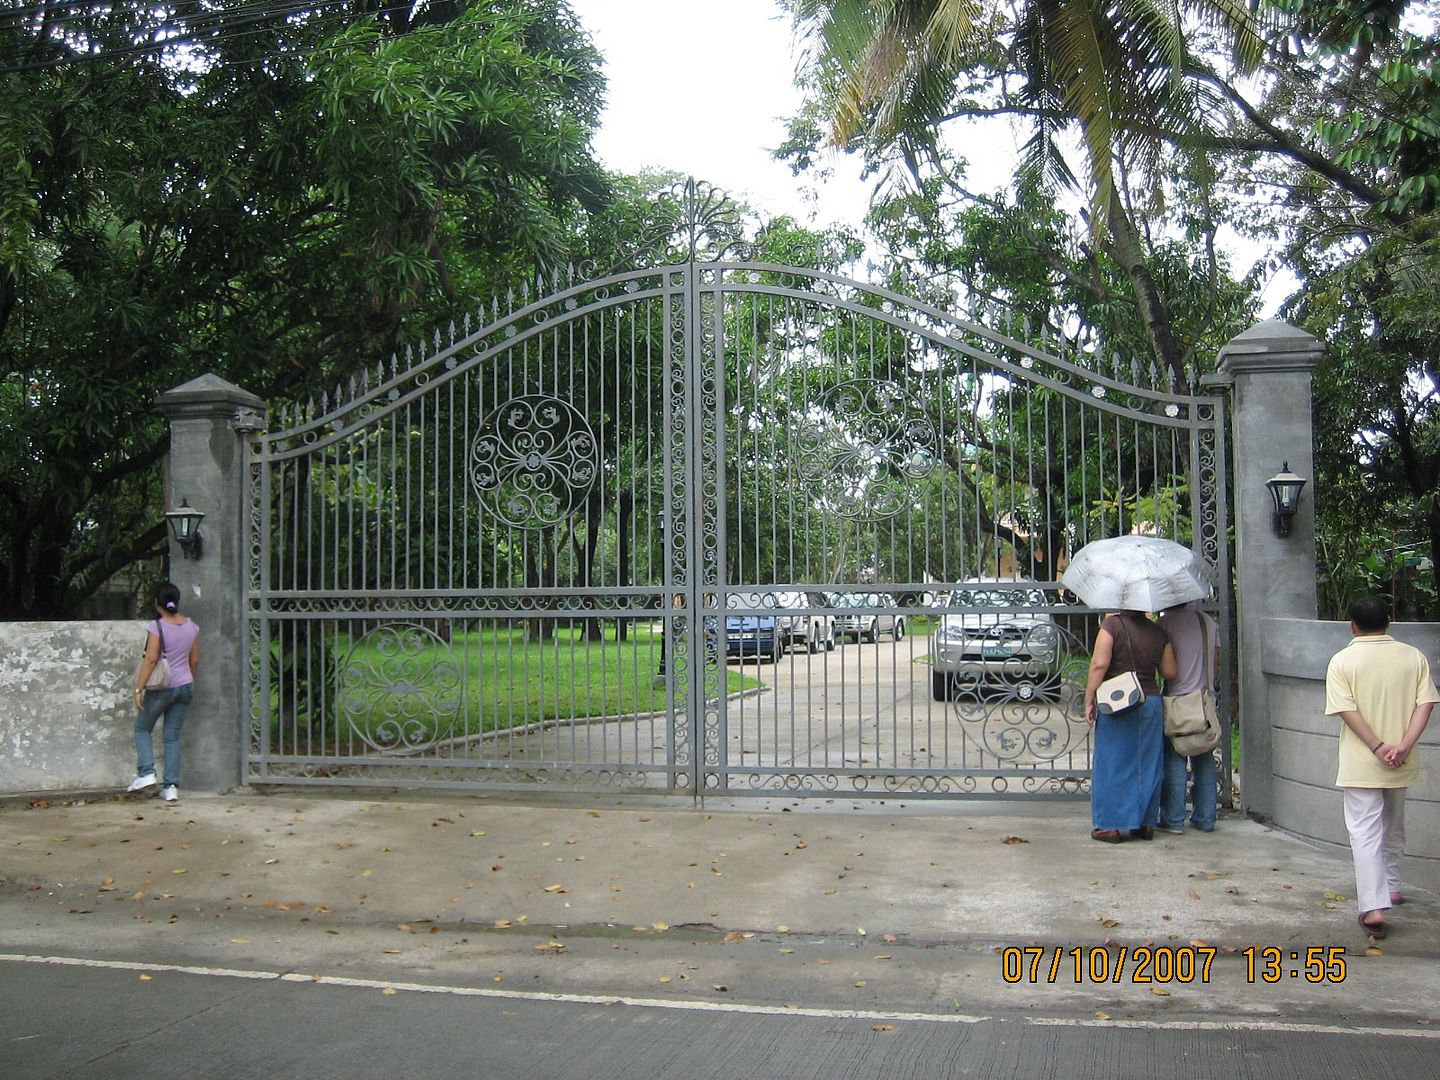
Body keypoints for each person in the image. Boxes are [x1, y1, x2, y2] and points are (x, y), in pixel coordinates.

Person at [1324, 596, 1437, 939]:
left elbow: (1346, 710)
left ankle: (1373, 907)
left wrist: (1377, 746)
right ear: (1389, 621)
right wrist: (1403, 746)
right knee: (1394, 823)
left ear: (1352, 625)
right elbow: (1426, 703)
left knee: (1365, 831)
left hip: (1363, 761)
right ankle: (1392, 885)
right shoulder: (1413, 657)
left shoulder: (1342, 661)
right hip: (1401, 760)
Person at [1084, 610, 1177, 843]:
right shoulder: (1158, 631)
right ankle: (1145, 822)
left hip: (1118, 701)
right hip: (1150, 703)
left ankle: (1110, 826)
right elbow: (1169, 671)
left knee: (1112, 762)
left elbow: (1099, 664)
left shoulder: (1111, 626)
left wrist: (1089, 698)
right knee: (1147, 763)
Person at [127, 583, 201, 804]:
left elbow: (150, 659)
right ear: (176, 602)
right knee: (172, 737)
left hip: (163, 688)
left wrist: (139, 688)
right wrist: (187, 680)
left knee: (142, 728)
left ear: (156, 603)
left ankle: (146, 772)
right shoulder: (192, 627)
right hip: (185, 686)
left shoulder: (156, 627)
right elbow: (194, 659)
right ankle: (171, 788)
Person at [1158, 604, 1220, 834]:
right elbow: (1216, 661)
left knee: (1175, 759)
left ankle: (1173, 819)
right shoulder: (1207, 621)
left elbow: (1165, 668)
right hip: (1203, 701)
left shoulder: (1164, 625)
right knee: (1204, 758)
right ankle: (1206, 818)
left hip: (1177, 703)